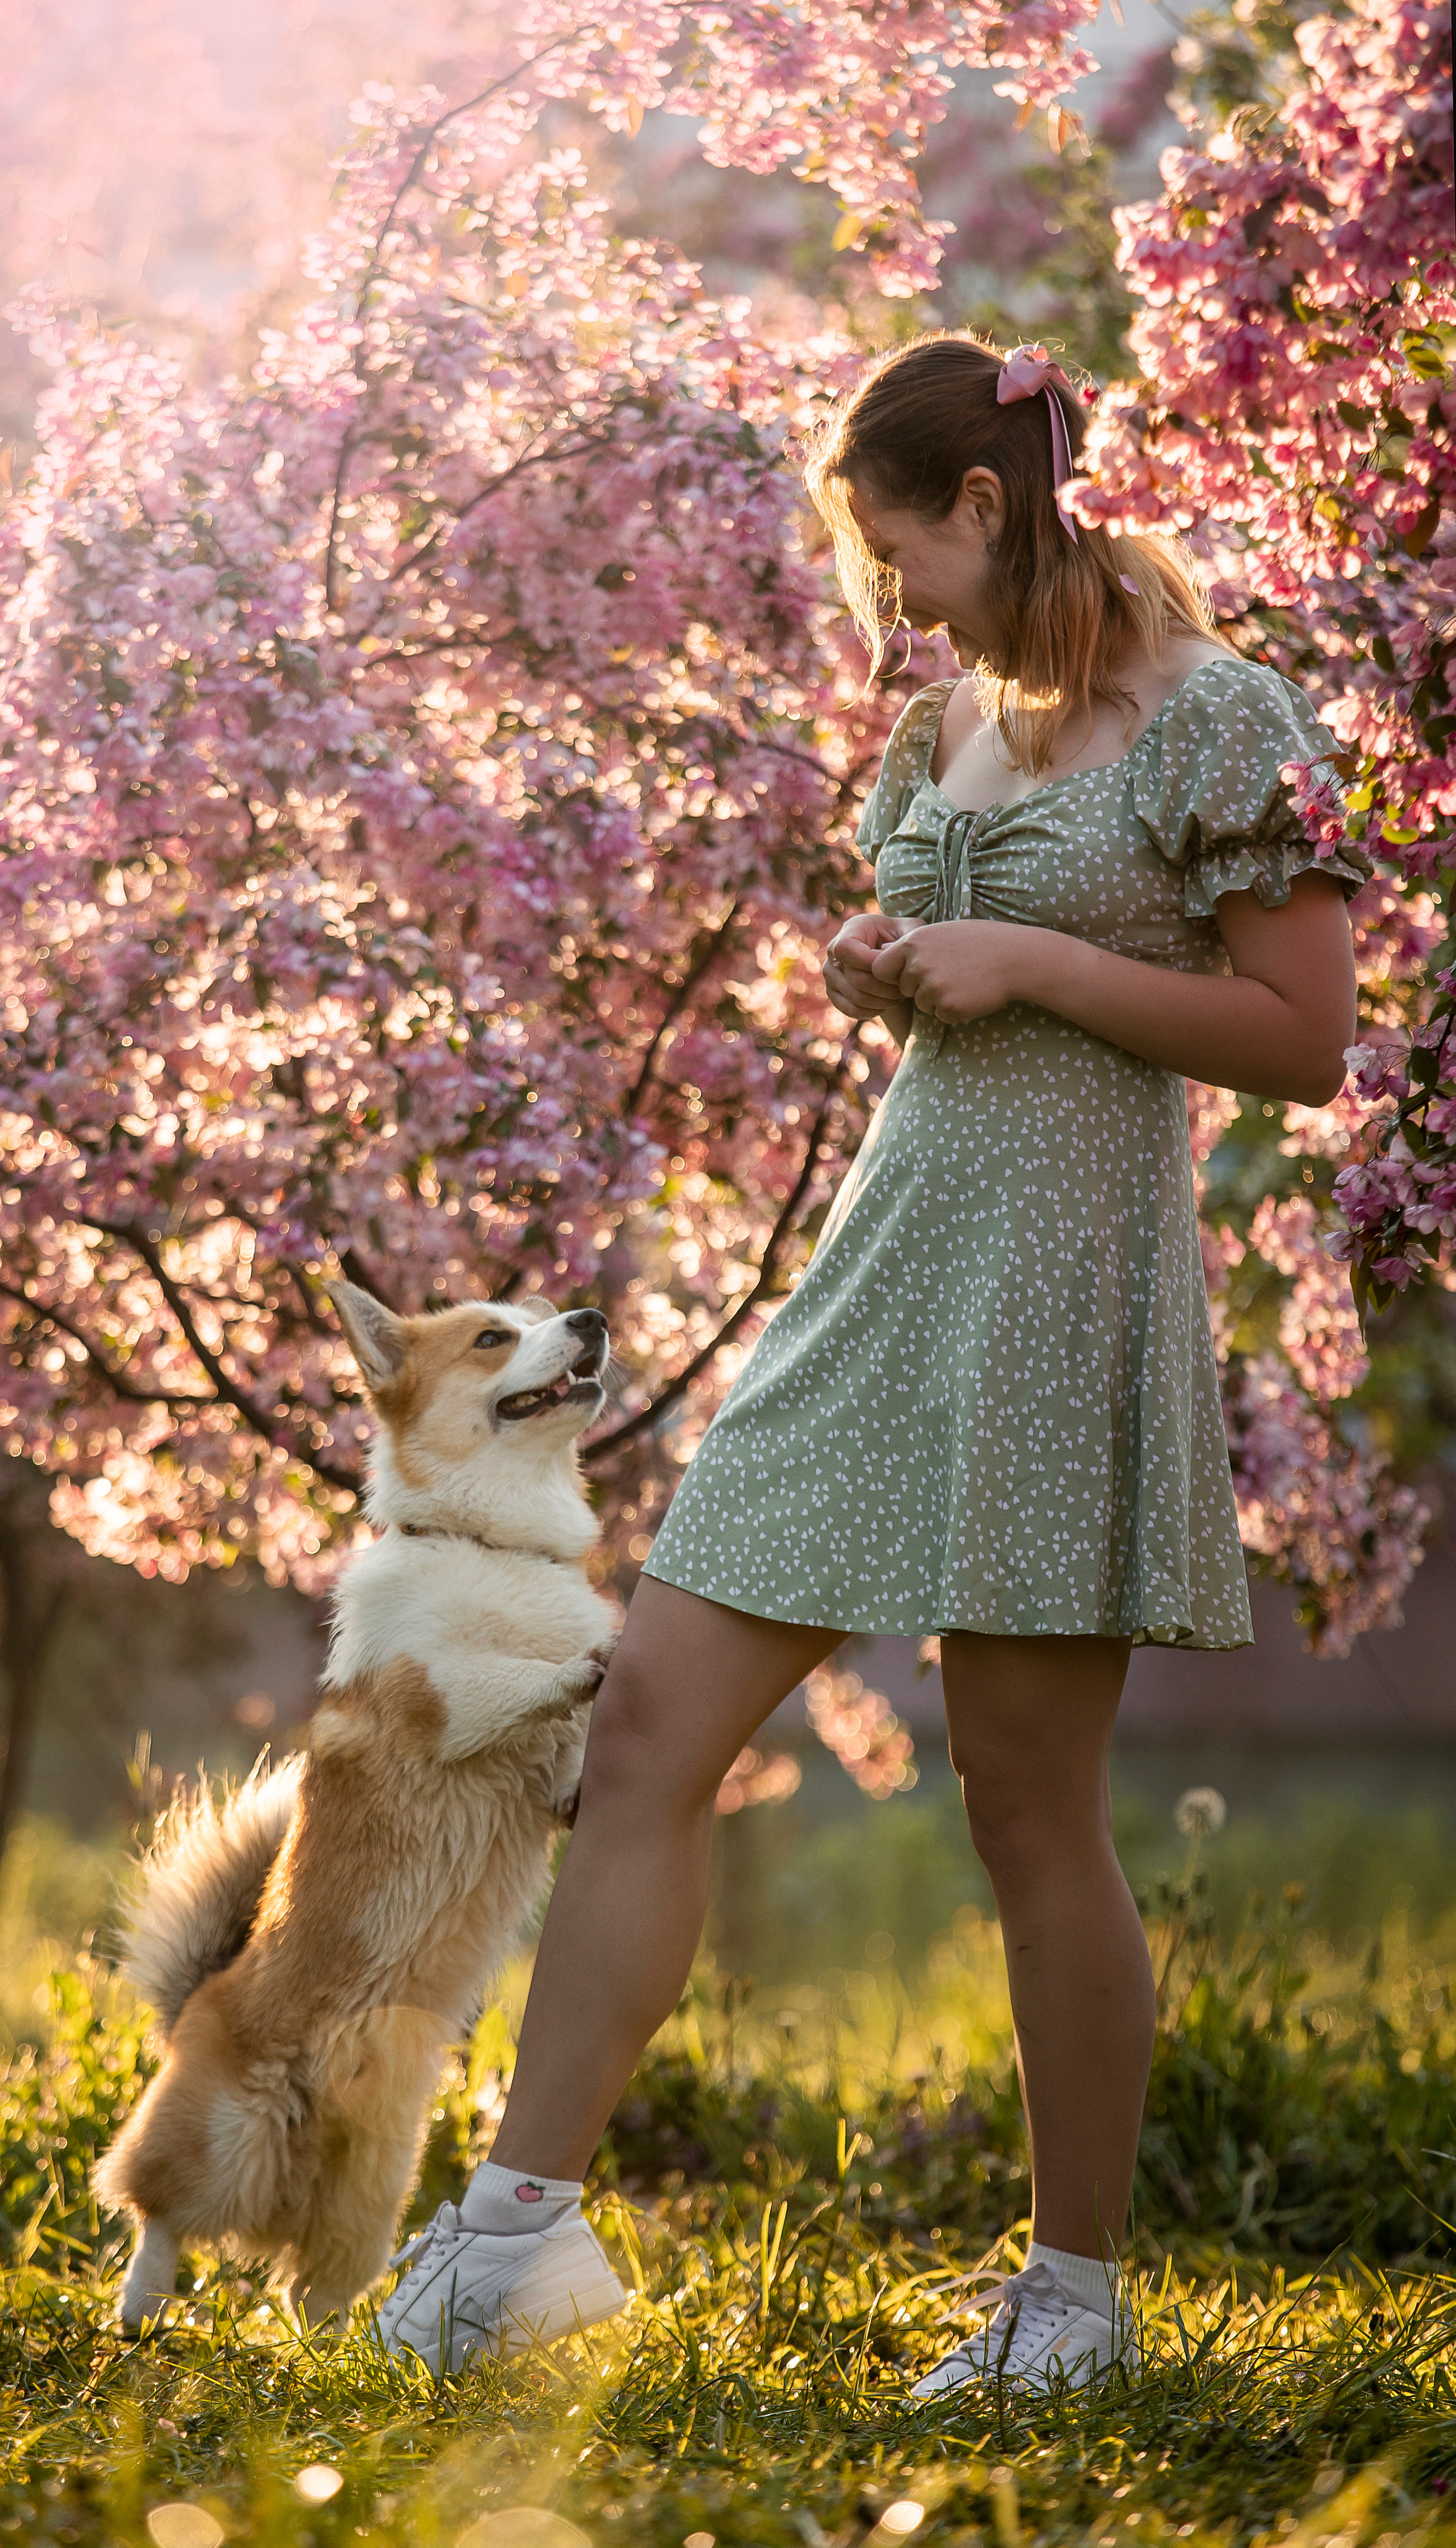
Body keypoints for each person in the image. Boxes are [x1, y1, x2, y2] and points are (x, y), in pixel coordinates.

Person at [374, 333, 1368, 2388]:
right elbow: (965, 991)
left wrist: (1033, 963)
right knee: (650, 1721)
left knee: (1025, 1804)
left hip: (1059, 1288)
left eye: (896, 546)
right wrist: (904, 966)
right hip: (880, 1275)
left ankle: (1069, 2307)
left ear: (987, 505)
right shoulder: (941, 736)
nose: (885, 594)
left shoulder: (1223, 718)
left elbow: (1307, 1038)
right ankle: (515, 2241)